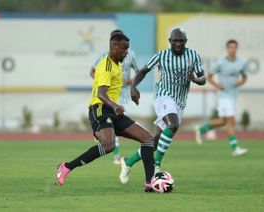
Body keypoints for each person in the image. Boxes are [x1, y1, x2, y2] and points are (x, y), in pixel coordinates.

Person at [56, 33, 155, 192]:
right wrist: (115, 105)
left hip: (113, 111)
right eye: (124, 49)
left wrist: (132, 90)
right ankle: (66, 167)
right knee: (108, 146)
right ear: (114, 47)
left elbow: (115, 87)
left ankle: (150, 184)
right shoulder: (106, 65)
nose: (126, 52)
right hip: (100, 108)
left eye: (127, 49)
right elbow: (101, 94)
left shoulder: (117, 64)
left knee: (148, 138)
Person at [119, 28, 206, 184]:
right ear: (170, 41)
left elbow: (203, 79)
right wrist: (133, 87)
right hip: (163, 96)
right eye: (175, 41)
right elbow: (144, 71)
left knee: (154, 141)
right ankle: (156, 164)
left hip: (180, 101)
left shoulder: (193, 56)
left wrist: (195, 79)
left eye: (181, 41)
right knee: (173, 124)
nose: (178, 44)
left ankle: (128, 161)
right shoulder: (162, 55)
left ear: (185, 41)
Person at [90, 29, 139, 164]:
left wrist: (132, 83)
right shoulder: (104, 57)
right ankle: (116, 154)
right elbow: (92, 71)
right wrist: (101, 81)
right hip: (107, 96)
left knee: (118, 124)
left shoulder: (130, 55)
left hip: (124, 94)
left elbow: (138, 72)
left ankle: (102, 134)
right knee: (111, 123)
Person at [195, 39, 248, 157]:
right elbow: (209, 76)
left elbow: (244, 76)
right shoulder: (220, 63)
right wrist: (218, 85)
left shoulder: (241, 63)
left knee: (224, 121)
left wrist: (240, 83)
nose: (232, 49)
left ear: (236, 48)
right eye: (230, 47)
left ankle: (202, 130)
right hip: (223, 96)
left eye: (234, 47)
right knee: (231, 121)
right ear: (227, 49)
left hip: (233, 95)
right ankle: (235, 148)